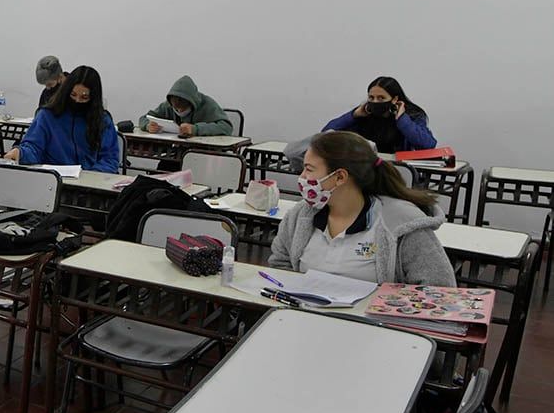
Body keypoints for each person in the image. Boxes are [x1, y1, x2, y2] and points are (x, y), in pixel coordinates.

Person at [269, 131, 455, 286]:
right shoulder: (300, 215)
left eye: (309, 169)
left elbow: (439, 288)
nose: (301, 177)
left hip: (375, 326)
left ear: (340, 177)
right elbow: (280, 265)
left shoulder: (400, 222)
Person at [4, 65, 120, 173]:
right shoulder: (47, 115)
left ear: (93, 98)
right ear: (66, 91)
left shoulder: (102, 121)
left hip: (90, 186)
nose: (77, 101)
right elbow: (34, 147)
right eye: (73, 95)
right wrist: (20, 153)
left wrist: (90, 178)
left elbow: (110, 159)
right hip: (53, 182)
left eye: (84, 97)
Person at [138, 76, 233, 171]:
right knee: (162, 171)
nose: (179, 111)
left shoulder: (208, 105)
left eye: (183, 108)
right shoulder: (168, 105)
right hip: (178, 152)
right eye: (176, 109)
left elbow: (226, 127)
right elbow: (144, 118)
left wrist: (195, 129)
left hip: (204, 154)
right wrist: (147, 126)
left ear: (192, 103)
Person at [322, 76, 437, 153]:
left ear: (394, 99)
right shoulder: (364, 114)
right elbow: (326, 134)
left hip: (398, 173)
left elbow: (428, 145)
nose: (375, 102)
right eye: (371, 97)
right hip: (368, 170)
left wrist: (402, 119)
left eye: (381, 98)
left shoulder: (413, 115)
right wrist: (353, 115)